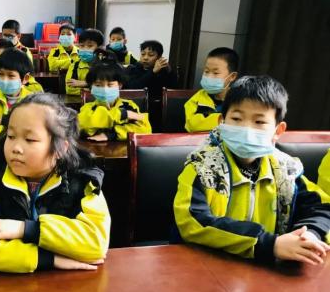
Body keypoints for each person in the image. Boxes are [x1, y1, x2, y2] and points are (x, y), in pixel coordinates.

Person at [174, 75, 330, 265]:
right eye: (236, 119)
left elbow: (323, 207)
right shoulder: (201, 167)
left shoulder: (287, 170)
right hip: (208, 264)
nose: (246, 128)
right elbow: (192, 221)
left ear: (278, 131)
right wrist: (270, 244)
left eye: (259, 122)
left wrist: (310, 234)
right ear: (221, 122)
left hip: (264, 268)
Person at [0, 93, 111, 273]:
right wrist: (49, 259)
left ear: (60, 149)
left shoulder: (84, 181)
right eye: (11, 136)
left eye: (30, 140)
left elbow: (96, 243)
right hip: (8, 286)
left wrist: (24, 229)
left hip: (67, 286)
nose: (16, 148)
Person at [78, 51, 151, 141]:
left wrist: (111, 134)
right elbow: (84, 126)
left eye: (110, 85)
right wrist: (123, 114)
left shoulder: (129, 105)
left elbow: (144, 129)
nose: (105, 89)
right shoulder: (88, 107)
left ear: (119, 85)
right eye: (98, 85)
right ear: (91, 87)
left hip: (122, 149)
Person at [184, 47, 239, 132]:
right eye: (206, 71)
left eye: (216, 73)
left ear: (232, 76)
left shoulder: (238, 99)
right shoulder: (197, 98)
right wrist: (221, 120)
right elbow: (191, 125)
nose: (209, 76)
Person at [65, 28, 104, 96]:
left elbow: (107, 89)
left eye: (90, 46)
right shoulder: (75, 65)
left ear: (99, 48)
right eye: (82, 46)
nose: (85, 49)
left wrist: (85, 83)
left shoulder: (105, 65)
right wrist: (92, 88)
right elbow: (69, 89)